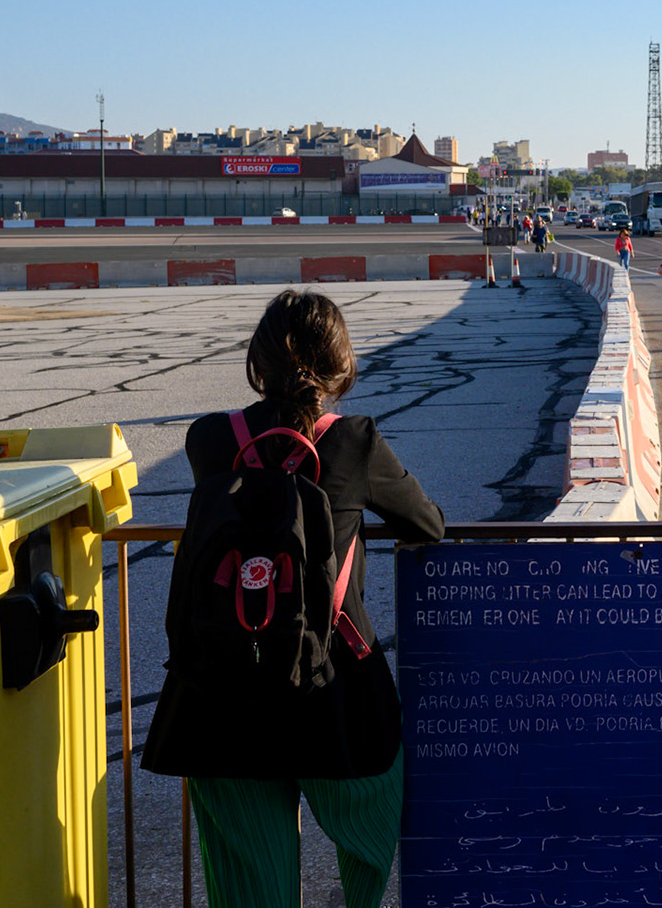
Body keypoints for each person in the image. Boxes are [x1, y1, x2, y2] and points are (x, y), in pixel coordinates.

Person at [143, 290, 446, 907]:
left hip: (224, 688)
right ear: (341, 368)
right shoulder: (353, 440)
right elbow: (427, 525)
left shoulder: (208, 440)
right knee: (371, 822)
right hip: (333, 688)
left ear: (257, 366)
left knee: (249, 874)